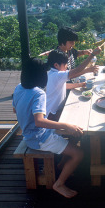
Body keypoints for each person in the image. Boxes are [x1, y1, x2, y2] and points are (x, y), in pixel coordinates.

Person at [13, 58, 85, 199]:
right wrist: (65, 125)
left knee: (72, 135)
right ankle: (59, 184)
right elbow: (39, 121)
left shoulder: (18, 87)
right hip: (39, 138)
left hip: (29, 134)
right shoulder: (38, 93)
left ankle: (62, 165)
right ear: (41, 74)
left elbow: (15, 110)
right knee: (79, 154)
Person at [46, 48, 100, 120]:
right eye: (65, 64)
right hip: (53, 114)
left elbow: (64, 86)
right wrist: (92, 55)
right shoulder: (57, 75)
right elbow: (77, 70)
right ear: (56, 65)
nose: (66, 66)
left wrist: (79, 85)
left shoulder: (50, 73)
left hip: (52, 111)